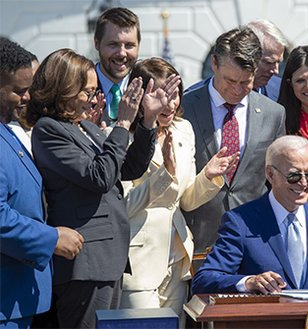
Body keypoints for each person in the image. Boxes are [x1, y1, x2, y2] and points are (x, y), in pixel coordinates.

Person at [26, 48, 171, 328]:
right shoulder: (49, 129)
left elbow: (127, 168)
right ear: (63, 89)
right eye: (87, 92)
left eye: (93, 92)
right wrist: (123, 123)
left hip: (109, 256)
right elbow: (99, 177)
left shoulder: (85, 128)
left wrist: (147, 121)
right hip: (86, 261)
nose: (92, 99)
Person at [119, 58, 237, 326]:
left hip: (178, 259)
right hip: (139, 263)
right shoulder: (122, 137)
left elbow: (184, 200)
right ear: (142, 97)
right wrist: (165, 174)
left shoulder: (182, 129)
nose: (170, 104)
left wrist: (208, 176)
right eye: (162, 95)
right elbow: (122, 207)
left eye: (175, 94)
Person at [182, 27, 285, 271]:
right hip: (197, 242)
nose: (237, 90)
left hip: (255, 243)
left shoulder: (273, 113)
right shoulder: (184, 106)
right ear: (214, 64)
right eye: (230, 81)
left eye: (245, 82)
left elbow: (275, 182)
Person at [192, 136, 308, 294]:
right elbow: (205, 280)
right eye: (293, 176)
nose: (303, 183)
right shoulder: (241, 222)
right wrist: (249, 282)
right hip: (266, 316)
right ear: (271, 174)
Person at [0, 39, 83, 329]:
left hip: (17, 298)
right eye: (19, 91)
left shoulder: (8, 133)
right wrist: (50, 238)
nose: (27, 98)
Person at [187, 19, 289, 102]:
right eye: (269, 62)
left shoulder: (282, 90)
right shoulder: (190, 100)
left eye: (278, 62)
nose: (276, 71)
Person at [94, 7, 141, 125]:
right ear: (97, 44)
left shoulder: (147, 89)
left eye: (129, 45)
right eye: (113, 44)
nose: (121, 53)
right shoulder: (79, 89)